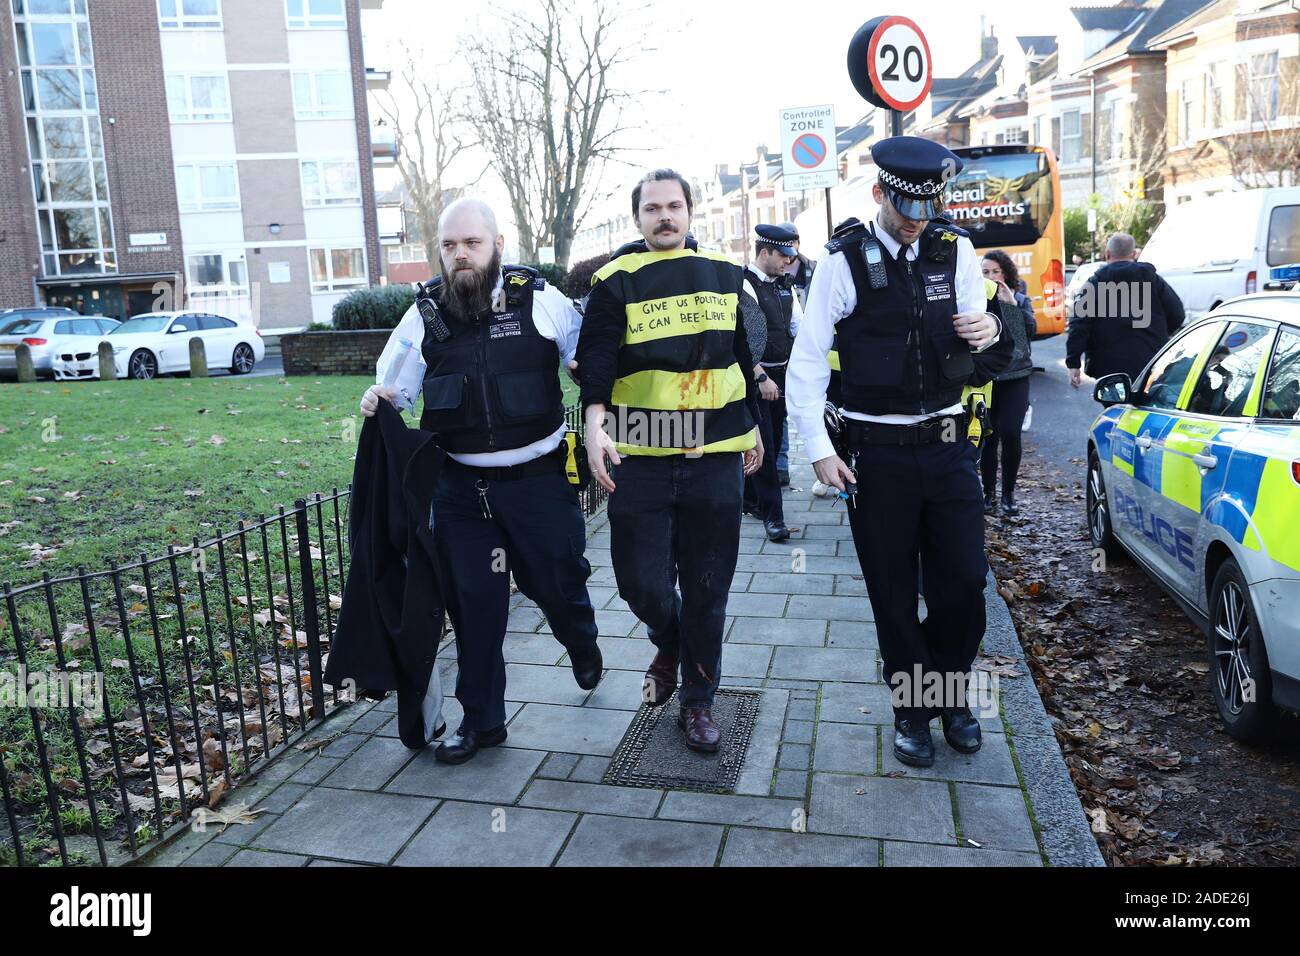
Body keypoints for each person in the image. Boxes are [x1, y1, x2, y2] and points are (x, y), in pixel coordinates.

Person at [785, 136, 1012, 768]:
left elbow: (985, 341)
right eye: (905, 205)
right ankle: (914, 708)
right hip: (876, 457)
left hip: (946, 447)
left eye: (927, 206)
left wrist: (991, 326)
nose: (916, 220)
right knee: (891, 592)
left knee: (963, 583)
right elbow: (806, 364)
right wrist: (818, 451)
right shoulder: (843, 262)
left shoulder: (956, 251)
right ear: (881, 192)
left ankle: (951, 692)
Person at [360, 198, 603, 765]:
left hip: (538, 484)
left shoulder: (540, 301)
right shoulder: (425, 316)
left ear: (497, 244)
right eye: (449, 246)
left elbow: (588, 355)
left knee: (557, 584)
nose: (461, 255)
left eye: (471, 242)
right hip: (462, 492)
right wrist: (381, 399)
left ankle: (580, 637)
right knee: (474, 605)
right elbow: (395, 387)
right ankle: (483, 722)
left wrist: (586, 377)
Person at [578, 168, 763, 753]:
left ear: (690, 213)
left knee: (709, 586)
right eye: (652, 207)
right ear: (637, 218)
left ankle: (699, 703)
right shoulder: (614, 281)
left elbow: (744, 355)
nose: (664, 216)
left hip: (715, 453)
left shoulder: (728, 276)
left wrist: (753, 427)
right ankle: (672, 635)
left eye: (674, 205)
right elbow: (598, 360)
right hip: (642, 451)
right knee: (640, 582)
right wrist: (592, 427)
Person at [741, 223, 802, 542]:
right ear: (764, 252)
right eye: (782, 255)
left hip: (781, 374)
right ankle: (773, 517)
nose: (787, 262)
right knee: (763, 442)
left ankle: (750, 499)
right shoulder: (745, 285)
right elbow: (742, 340)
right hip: (757, 377)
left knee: (775, 440)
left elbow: (797, 328)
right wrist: (761, 375)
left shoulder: (785, 286)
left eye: (790, 256)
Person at [1066, 232, 1185, 388]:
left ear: (1107, 254)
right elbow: (1177, 315)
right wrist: (1158, 334)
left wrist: (1074, 363)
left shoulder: (1095, 283)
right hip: (1150, 361)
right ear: (1134, 254)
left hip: (1108, 366)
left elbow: (1079, 324)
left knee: (1115, 406)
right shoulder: (1153, 280)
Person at [979, 250, 1037, 516]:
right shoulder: (976, 300)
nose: (991, 278)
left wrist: (1011, 305)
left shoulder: (1020, 300)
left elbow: (1028, 333)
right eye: (985, 272)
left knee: (1011, 433)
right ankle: (988, 492)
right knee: (988, 436)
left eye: (995, 272)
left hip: (1016, 377)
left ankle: (1009, 494)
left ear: (1006, 274)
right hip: (987, 378)